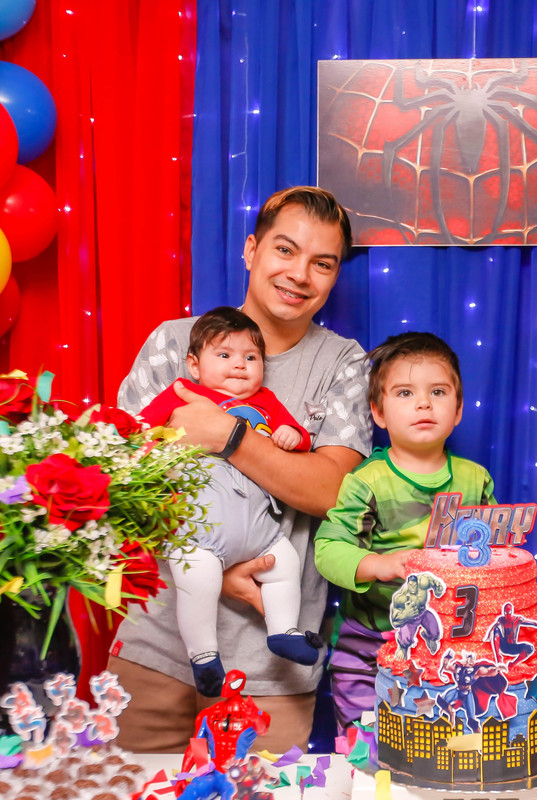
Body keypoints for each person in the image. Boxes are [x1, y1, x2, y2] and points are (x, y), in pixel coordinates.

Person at [107, 186, 373, 754]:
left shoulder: (343, 363)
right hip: (155, 646)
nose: (299, 274)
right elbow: (118, 481)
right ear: (251, 250)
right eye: (285, 250)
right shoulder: (174, 343)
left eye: (322, 263)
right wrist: (209, 564)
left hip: (271, 672)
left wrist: (228, 436)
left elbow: (333, 491)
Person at [314, 332, 496, 731]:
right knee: (367, 747)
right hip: (368, 643)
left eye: (438, 392)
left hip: (448, 648)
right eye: (404, 393)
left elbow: (493, 552)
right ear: (378, 413)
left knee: (435, 743)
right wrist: (379, 564)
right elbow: (328, 548)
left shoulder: (476, 479)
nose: (423, 403)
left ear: (458, 410)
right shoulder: (367, 481)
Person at [138, 307, 323, 695]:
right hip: (199, 530)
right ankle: (204, 655)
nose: (239, 365)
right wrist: (148, 445)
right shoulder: (183, 395)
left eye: (251, 357)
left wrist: (292, 435)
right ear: (194, 364)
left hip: (258, 530)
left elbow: (298, 435)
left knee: (285, 563)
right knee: (197, 580)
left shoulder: (265, 400)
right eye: (224, 355)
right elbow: (141, 429)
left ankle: (283, 630)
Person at [483, 601, 537, 667]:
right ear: (503, 612)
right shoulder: (501, 619)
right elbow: (494, 626)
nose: (507, 615)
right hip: (504, 647)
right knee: (496, 629)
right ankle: (499, 659)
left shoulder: (517, 620)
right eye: (505, 613)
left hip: (513, 647)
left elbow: (533, 623)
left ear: (512, 612)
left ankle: (513, 664)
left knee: (530, 648)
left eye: (509, 613)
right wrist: (488, 635)